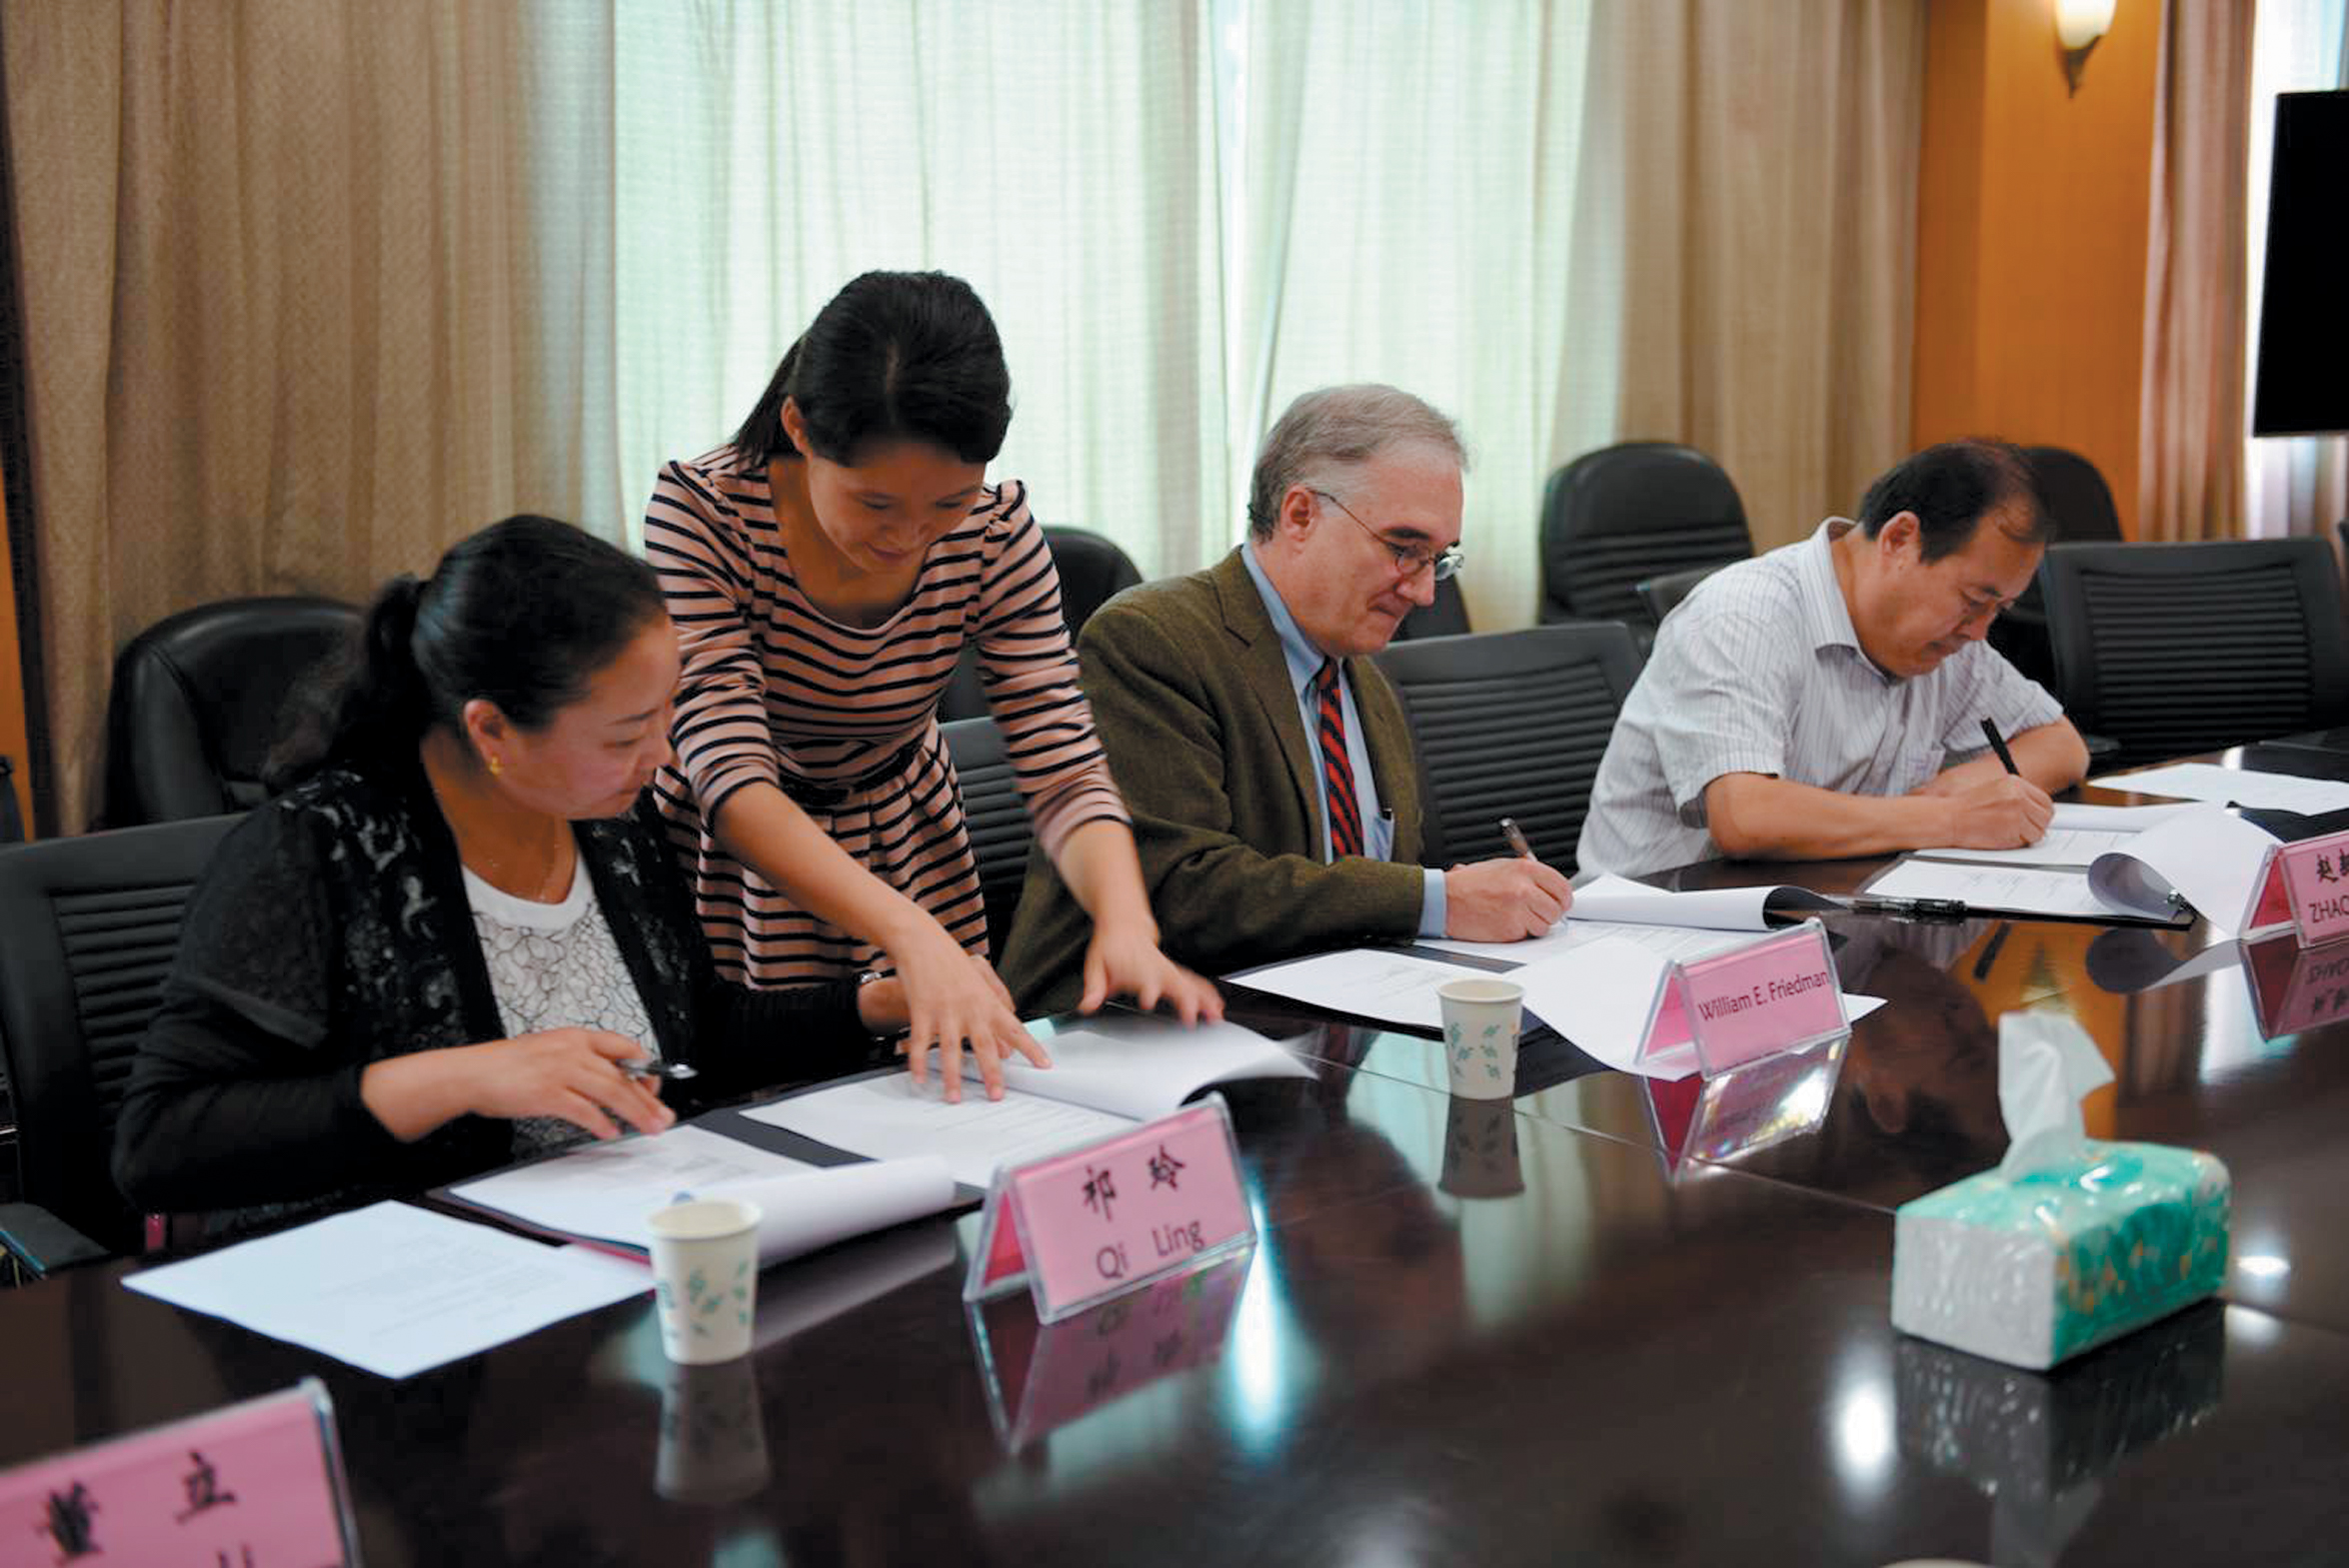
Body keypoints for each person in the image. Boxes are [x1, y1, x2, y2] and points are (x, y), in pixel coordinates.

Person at [113, 517, 900, 1226]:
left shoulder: (611, 822)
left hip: (604, 1251)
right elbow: (160, 1146)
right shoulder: (318, 849)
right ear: (491, 727)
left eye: (668, 712)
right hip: (400, 1287)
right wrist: (465, 1077)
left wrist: (872, 1004)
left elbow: (701, 1031)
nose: (661, 756)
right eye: (626, 734)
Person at [644, 271, 1216, 1101]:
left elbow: (1061, 759)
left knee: (938, 1109)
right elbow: (729, 772)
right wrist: (907, 934)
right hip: (743, 857)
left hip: (906, 835)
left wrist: (1126, 921)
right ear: (801, 428)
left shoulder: (994, 531)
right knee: (754, 1112)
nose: (910, 537)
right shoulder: (708, 513)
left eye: (947, 502)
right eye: (875, 503)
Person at [999, 384, 1574, 1014]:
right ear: (1300, 514)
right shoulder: (1153, 639)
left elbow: (1368, 892)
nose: (1423, 594)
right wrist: (1436, 900)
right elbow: (1186, 892)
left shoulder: (1366, 683)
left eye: (1437, 560)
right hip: (1122, 1032)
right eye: (1403, 550)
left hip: (1319, 1026)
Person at [1575, 439, 2091, 877]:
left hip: (1820, 919)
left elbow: (2061, 745)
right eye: (1975, 601)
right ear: (1900, 539)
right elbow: (1745, 816)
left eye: (1999, 609)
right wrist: (1951, 818)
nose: (1980, 632)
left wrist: (1950, 792)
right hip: (1655, 938)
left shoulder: (1949, 640)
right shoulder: (1743, 615)